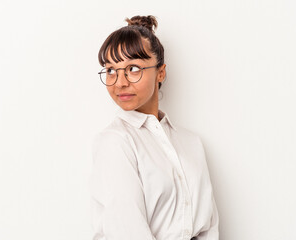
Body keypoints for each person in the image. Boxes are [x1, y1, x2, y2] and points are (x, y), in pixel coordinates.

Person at [89, 15, 219, 240]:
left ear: (160, 72)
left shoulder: (191, 143)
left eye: (133, 68)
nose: (120, 82)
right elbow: (127, 232)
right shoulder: (115, 141)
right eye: (111, 70)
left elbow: (209, 226)